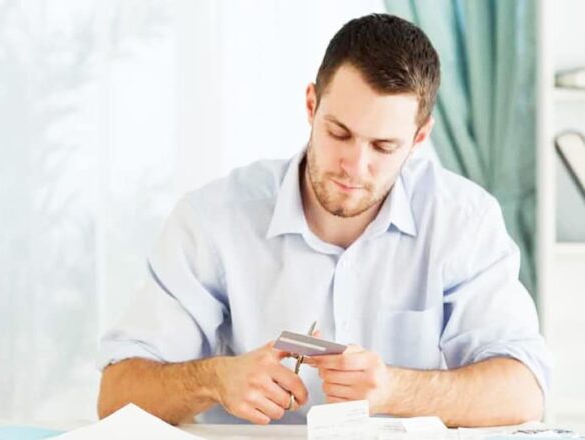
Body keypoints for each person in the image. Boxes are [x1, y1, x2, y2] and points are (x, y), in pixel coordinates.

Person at [95, 13, 551, 428]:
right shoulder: (214, 219)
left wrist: (394, 389)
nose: (355, 166)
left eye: (383, 147)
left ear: (420, 137)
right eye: (340, 133)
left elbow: (523, 391)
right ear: (312, 105)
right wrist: (215, 379)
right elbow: (115, 396)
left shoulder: (463, 221)